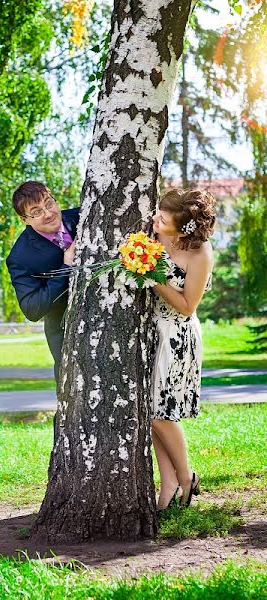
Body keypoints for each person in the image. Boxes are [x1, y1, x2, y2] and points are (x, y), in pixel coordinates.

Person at [151, 188, 216, 511]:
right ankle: (169, 484)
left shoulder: (200, 253)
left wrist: (153, 278)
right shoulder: (153, 236)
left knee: (162, 413)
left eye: (162, 219)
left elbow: (188, 306)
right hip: (149, 333)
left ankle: (186, 476)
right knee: (150, 415)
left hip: (176, 336)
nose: (154, 220)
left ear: (183, 226)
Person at [6, 181, 79, 381]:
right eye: (36, 212)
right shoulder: (20, 257)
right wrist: (67, 268)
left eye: (49, 204)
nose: (47, 213)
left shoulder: (86, 215)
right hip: (66, 334)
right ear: (24, 219)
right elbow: (32, 309)